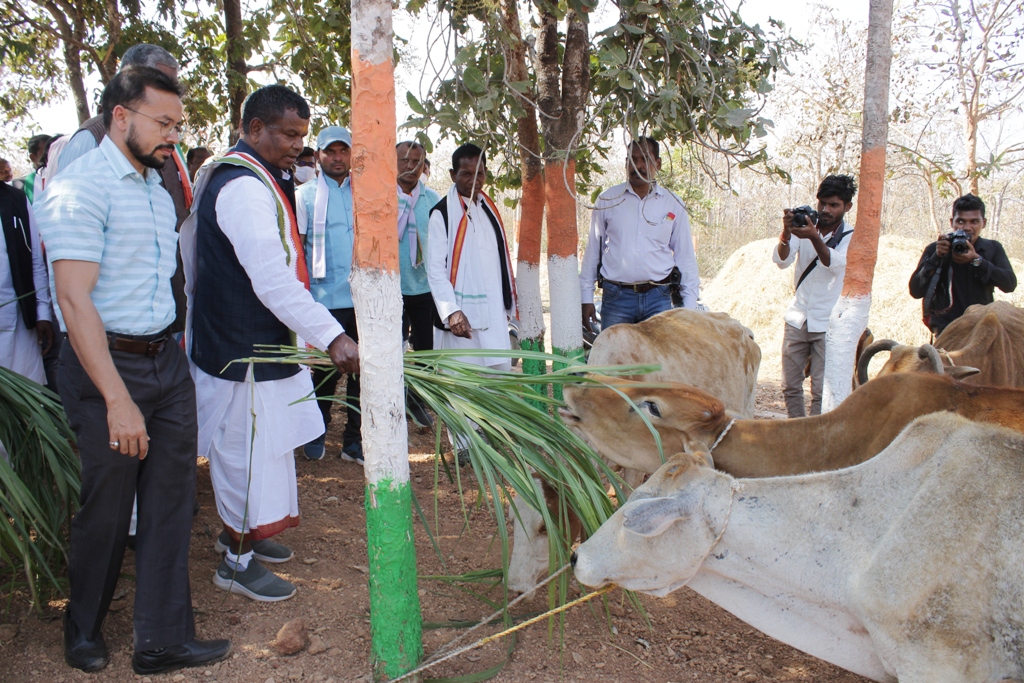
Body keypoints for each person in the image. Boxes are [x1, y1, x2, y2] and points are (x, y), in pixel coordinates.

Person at [34, 66, 230, 676]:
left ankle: (163, 640)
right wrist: (117, 399)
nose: (173, 135)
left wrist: (173, 357)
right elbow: (73, 300)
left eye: (178, 124)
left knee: (171, 505)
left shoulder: (153, 182)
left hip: (163, 362)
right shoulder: (80, 186)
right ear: (121, 116)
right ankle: (82, 627)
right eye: (162, 123)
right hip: (103, 371)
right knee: (109, 507)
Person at [181, 86, 359, 602]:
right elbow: (272, 280)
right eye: (287, 134)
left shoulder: (257, 176)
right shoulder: (241, 186)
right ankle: (235, 562)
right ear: (254, 129)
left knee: (266, 448)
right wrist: (332, 336)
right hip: (239, 349)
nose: (295, 146)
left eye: (302, 136)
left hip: (255, 342)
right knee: (244, 453)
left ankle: (243, 536)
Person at [579, 137, 699, 331]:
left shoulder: (672, 204)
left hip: (658, 299)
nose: (638, 166)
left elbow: (685, 257)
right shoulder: (608, 200)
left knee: (657, 360)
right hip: (616, 298)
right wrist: (586, 298)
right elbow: (593, 251)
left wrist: (690, 307)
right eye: (632, 160)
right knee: (616, 359)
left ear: (657, 164)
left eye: (644, 159)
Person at [294, 126, 363, 463]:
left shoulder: (363, 192)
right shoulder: (304, 196)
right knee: (323, 371)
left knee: (362, 373)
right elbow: (299, 248)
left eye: (343, 151)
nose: (337, 158)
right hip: (323, 299)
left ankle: (354, 441)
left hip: (362, 299)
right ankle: (317, 430)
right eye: (330, 152)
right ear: (319, 156)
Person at [772, 174, 857, 418]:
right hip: (798, 317)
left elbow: (834, 263)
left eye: (834, 205)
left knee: (821, 391)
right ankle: (796, 432)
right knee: (790, 386)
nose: (826, 210)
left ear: (847, 207)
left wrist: (813, 237)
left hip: (828, 322)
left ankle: (814, 439)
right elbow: (782, 260)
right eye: (822, 203)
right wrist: (786, 232)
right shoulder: (806, 225)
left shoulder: (852, 236)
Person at [427, 143, 517, 371]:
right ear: (452, 175)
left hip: (494, 314)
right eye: (466, 174)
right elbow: (435, 269)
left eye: (479, 174)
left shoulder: (488, 208)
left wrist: (507, 305)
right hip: (462, 319)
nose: (474, 180)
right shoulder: (442, 214)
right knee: (465, 388)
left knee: (498, 383)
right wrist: (452, 311)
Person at [909, 193, 1017, 336]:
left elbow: (1009, 284)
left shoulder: (992, 248)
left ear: (983, 223)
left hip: (982, 329)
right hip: (946, 330)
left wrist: (978, 260)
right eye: (960, 222)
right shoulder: (936, 248)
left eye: (974, 222)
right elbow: (915, 291)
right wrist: (936, 258)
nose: (967, 227)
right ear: (951, 222)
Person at [396, 140, 439, 427]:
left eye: (416, 161)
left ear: (424, 166)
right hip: (391, 287)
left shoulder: (433, 201)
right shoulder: (381, 197)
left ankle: (415, 399)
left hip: (424, 288)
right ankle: (392, 399)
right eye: (403, 160)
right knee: (391, 347)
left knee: (426, 349)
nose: (410, 167)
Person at [0, 180, 53, 383]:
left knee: (24, 407)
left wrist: (42, 313)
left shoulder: (15, 199)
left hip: (19, 327)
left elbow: (35, 262)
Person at [12, 134, 52, 203]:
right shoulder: (20, 185)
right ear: (33, 157)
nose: (52, 157)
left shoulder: (64, 179)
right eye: (47, 154)